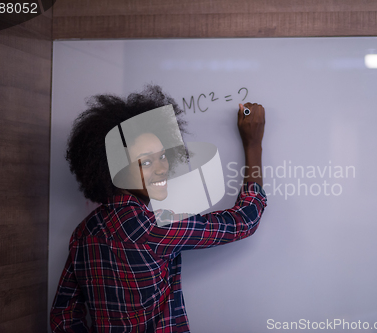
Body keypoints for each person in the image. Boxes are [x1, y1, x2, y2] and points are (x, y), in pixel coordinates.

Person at [50, 85, 266, 333]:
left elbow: (63, 315)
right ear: (115, 169)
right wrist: (253, 145)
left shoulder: (84, 233)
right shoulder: (154, 228)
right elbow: (244, 221)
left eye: (163, 156)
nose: (163, 168)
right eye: (146, 161)